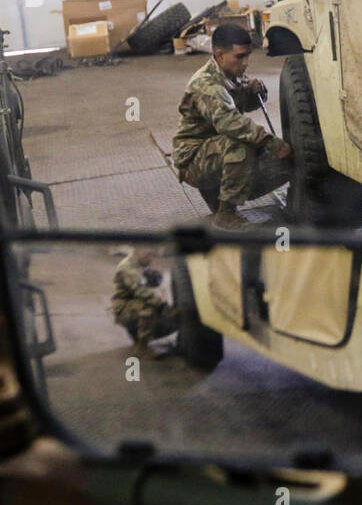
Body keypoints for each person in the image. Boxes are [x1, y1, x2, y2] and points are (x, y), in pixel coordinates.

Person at [172, 23, 293, 229]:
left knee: (280, 160)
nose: (246, 63)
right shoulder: (207, 84)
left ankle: (218, 198)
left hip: (212, 151)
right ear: (219, 55)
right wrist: (270, 142)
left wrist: (254, 92)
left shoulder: (230, 74)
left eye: (248, 55)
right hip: (193, 160)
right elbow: (230, 123)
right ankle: (225, 215)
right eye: (240, 56)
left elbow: (241, 105)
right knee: (242, 145)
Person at [111, 249, 177, 360]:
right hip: (123, 307)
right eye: (148, 255)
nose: (151, 259)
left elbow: (147, 282)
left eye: (152, 255)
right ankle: (142, 349)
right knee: (148, 308)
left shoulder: (139, 263)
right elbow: (141, 292)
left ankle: (137, 339)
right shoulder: (127, 268)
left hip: (130, 303)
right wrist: (163, 306)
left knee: (150, 305)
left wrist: (153, 276)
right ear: (137, 252)